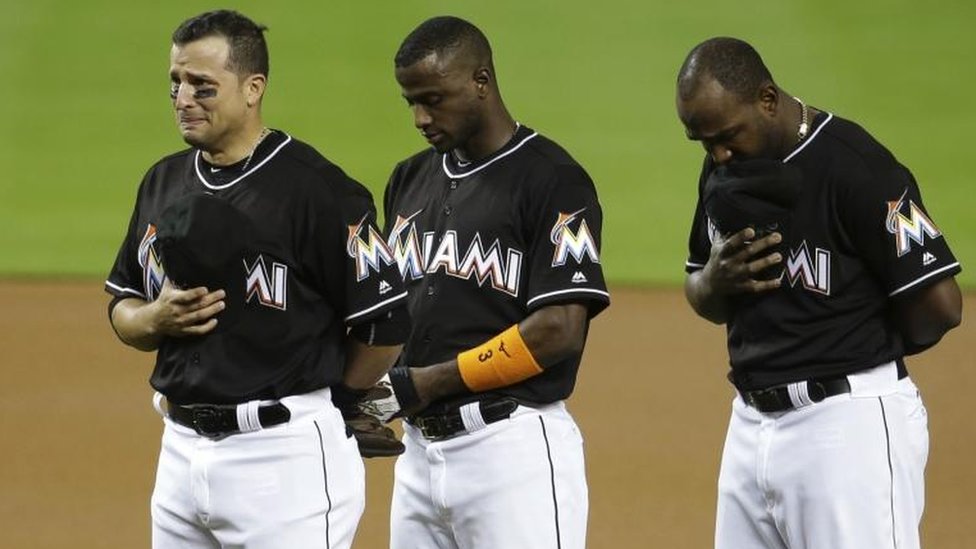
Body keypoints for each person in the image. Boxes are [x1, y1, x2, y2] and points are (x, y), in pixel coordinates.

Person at [103, 10, 409, 549]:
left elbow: (384, 324)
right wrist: (153, 318)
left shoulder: (320, 193)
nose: (182, 98)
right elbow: (123, 304)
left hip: (283, 464)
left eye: (202, 85)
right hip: (178, 454)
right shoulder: (162, 182)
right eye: (175, 82)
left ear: (252, 88)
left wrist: (337, 400)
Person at [676, 37, 962, 549]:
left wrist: (855, 349)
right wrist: (713, 283)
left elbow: (940, 306)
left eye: (726, 136)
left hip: (846, 430)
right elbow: (699, 287)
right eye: (702, 141)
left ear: (767, 98)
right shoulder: (723, 169)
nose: (717, 154)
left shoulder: (858, 169)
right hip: (749, 427)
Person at [360, 15, 609, 549]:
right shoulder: (409, 178)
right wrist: (357, 396)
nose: (420, 117)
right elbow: (390, 312)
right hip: (419, 460)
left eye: (433, 98)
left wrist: (426, 383)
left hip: (511, 454)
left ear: (481, 82)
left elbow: (559, 330)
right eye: (410, 101)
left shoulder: (554, 181)